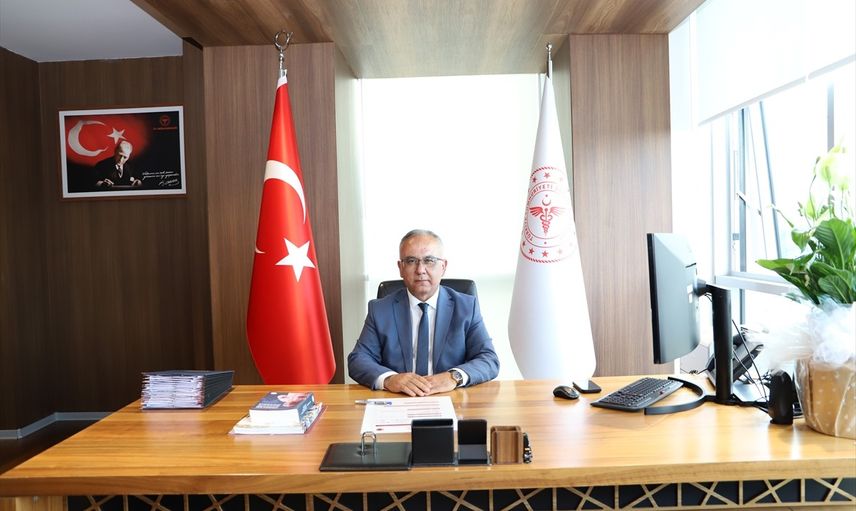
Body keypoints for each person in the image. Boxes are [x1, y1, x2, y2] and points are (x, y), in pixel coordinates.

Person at [348, 229, 499, 396]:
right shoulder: (380, 309)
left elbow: (488, 359)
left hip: (451, 399)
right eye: (411, 261)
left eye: (429, 260)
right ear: (401, 268)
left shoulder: (466, 307)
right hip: (398, 399)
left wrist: (453, 377)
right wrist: (389, 379)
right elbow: (358, 360)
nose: (420, 270)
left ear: (443, 266)